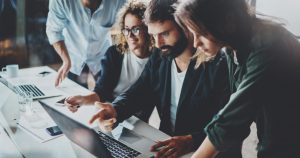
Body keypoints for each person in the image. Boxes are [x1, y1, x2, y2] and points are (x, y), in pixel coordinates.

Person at [88, 0, 238, 157]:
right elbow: (139, 91)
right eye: (153, 35)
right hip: (167, 146)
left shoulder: (218, 64)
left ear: (185, 27)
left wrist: (191, 140)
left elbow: (230, 125)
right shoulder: (160, 57)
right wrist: (115, 109)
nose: (158, 44)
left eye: (165, 34)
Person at [174, 0, 300, 158]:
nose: (195, 42)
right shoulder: (231, 46)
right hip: (274, 140)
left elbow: (234, 117)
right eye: (193, 34)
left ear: (228, 21)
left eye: (201, 33)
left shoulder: (269, 46)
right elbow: (235, 118)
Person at [64, 1, 154, 122]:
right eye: (126, 29)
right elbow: (101, 91)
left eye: (136, 29)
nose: (130, 35)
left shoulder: (157, 61)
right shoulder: (114, 54)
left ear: (148, 30)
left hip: (137, 120)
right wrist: (82, 99)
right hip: (108, 112)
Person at [46, 0, 126, 87]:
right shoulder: (60, 1)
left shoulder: (118, 1)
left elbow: (128, 24)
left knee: (107, 93)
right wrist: (66, 60)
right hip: (74, 57)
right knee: (76, 95)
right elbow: (54, 31)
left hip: (101, 54)